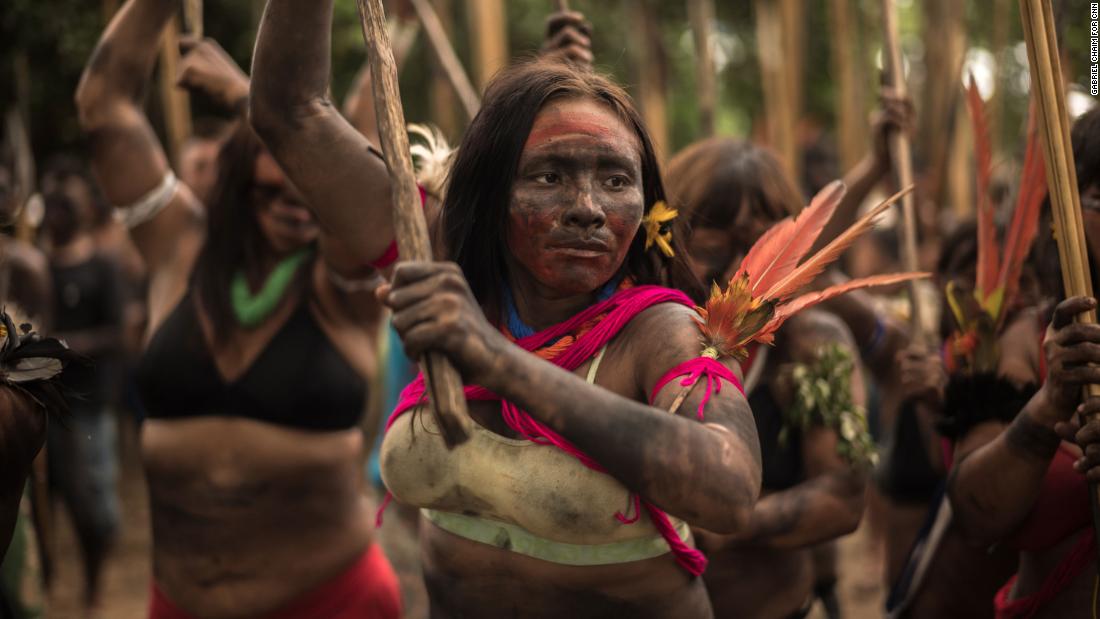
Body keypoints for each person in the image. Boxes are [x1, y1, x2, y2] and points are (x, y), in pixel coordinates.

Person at [250, 2, 763, 616]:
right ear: (489, 194)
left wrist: (492, 358)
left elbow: (730, 490)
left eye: (616, 180)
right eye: (548, 177)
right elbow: (292, 113)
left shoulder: (659, 332)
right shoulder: (439, 259)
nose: (588, 208)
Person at [76, 0, 400, 616]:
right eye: (271, 186)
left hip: (332, 600)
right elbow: (104, 105)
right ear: (238, 179)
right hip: (179, 600)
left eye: (308, 189)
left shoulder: (343, 281)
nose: (294, 202)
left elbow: (356, 174)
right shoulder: (178, 246)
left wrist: (245, 97)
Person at [665, 139, 870, 618]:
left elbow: (843, 498)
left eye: (763, 246)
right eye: (716, 247)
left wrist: (731, 520)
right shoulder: (638, 333)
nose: (742, 272)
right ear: (672, 242)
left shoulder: (812, 344)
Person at [949, 107, 1100, 617]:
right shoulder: (1025, 341)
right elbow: (974, 515)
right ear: (1063, 217)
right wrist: (1049, 402)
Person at [39, 179, 127, 613]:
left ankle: (100, 579)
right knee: (53, 496)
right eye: (52, 209)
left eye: (65, 209)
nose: (58, 218)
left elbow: (120, 334)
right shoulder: (38, 268)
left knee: (98, 496)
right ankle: (51, 579)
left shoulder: (103, 266)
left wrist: (65, 345)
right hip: (45, 404)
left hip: (91, 401)